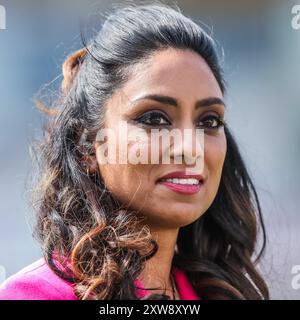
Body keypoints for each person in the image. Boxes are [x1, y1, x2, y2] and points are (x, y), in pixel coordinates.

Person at [0, 2, 269, 300]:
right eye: (154, 119)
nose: (190, 148)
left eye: (209, 121)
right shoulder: (35, 294)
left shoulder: (222, 292)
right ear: (86, 145)